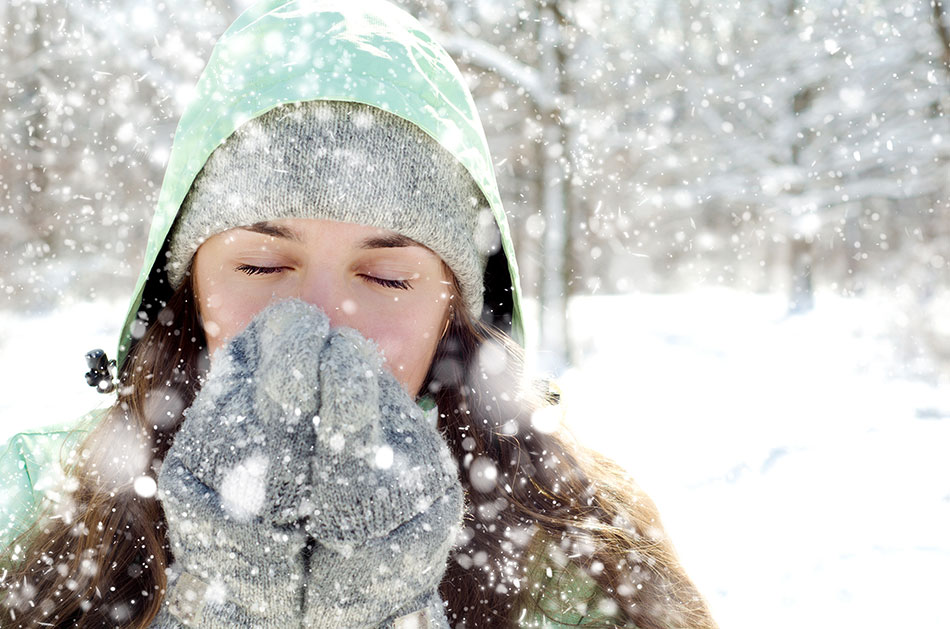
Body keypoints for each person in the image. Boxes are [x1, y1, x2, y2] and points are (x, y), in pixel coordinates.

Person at [0, 1, 718, 627]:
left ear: (454, 315)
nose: (320, 319)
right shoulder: (44, 515)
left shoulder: (581, 551)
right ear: (187, 292)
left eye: (384, 275)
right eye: (260, 266)